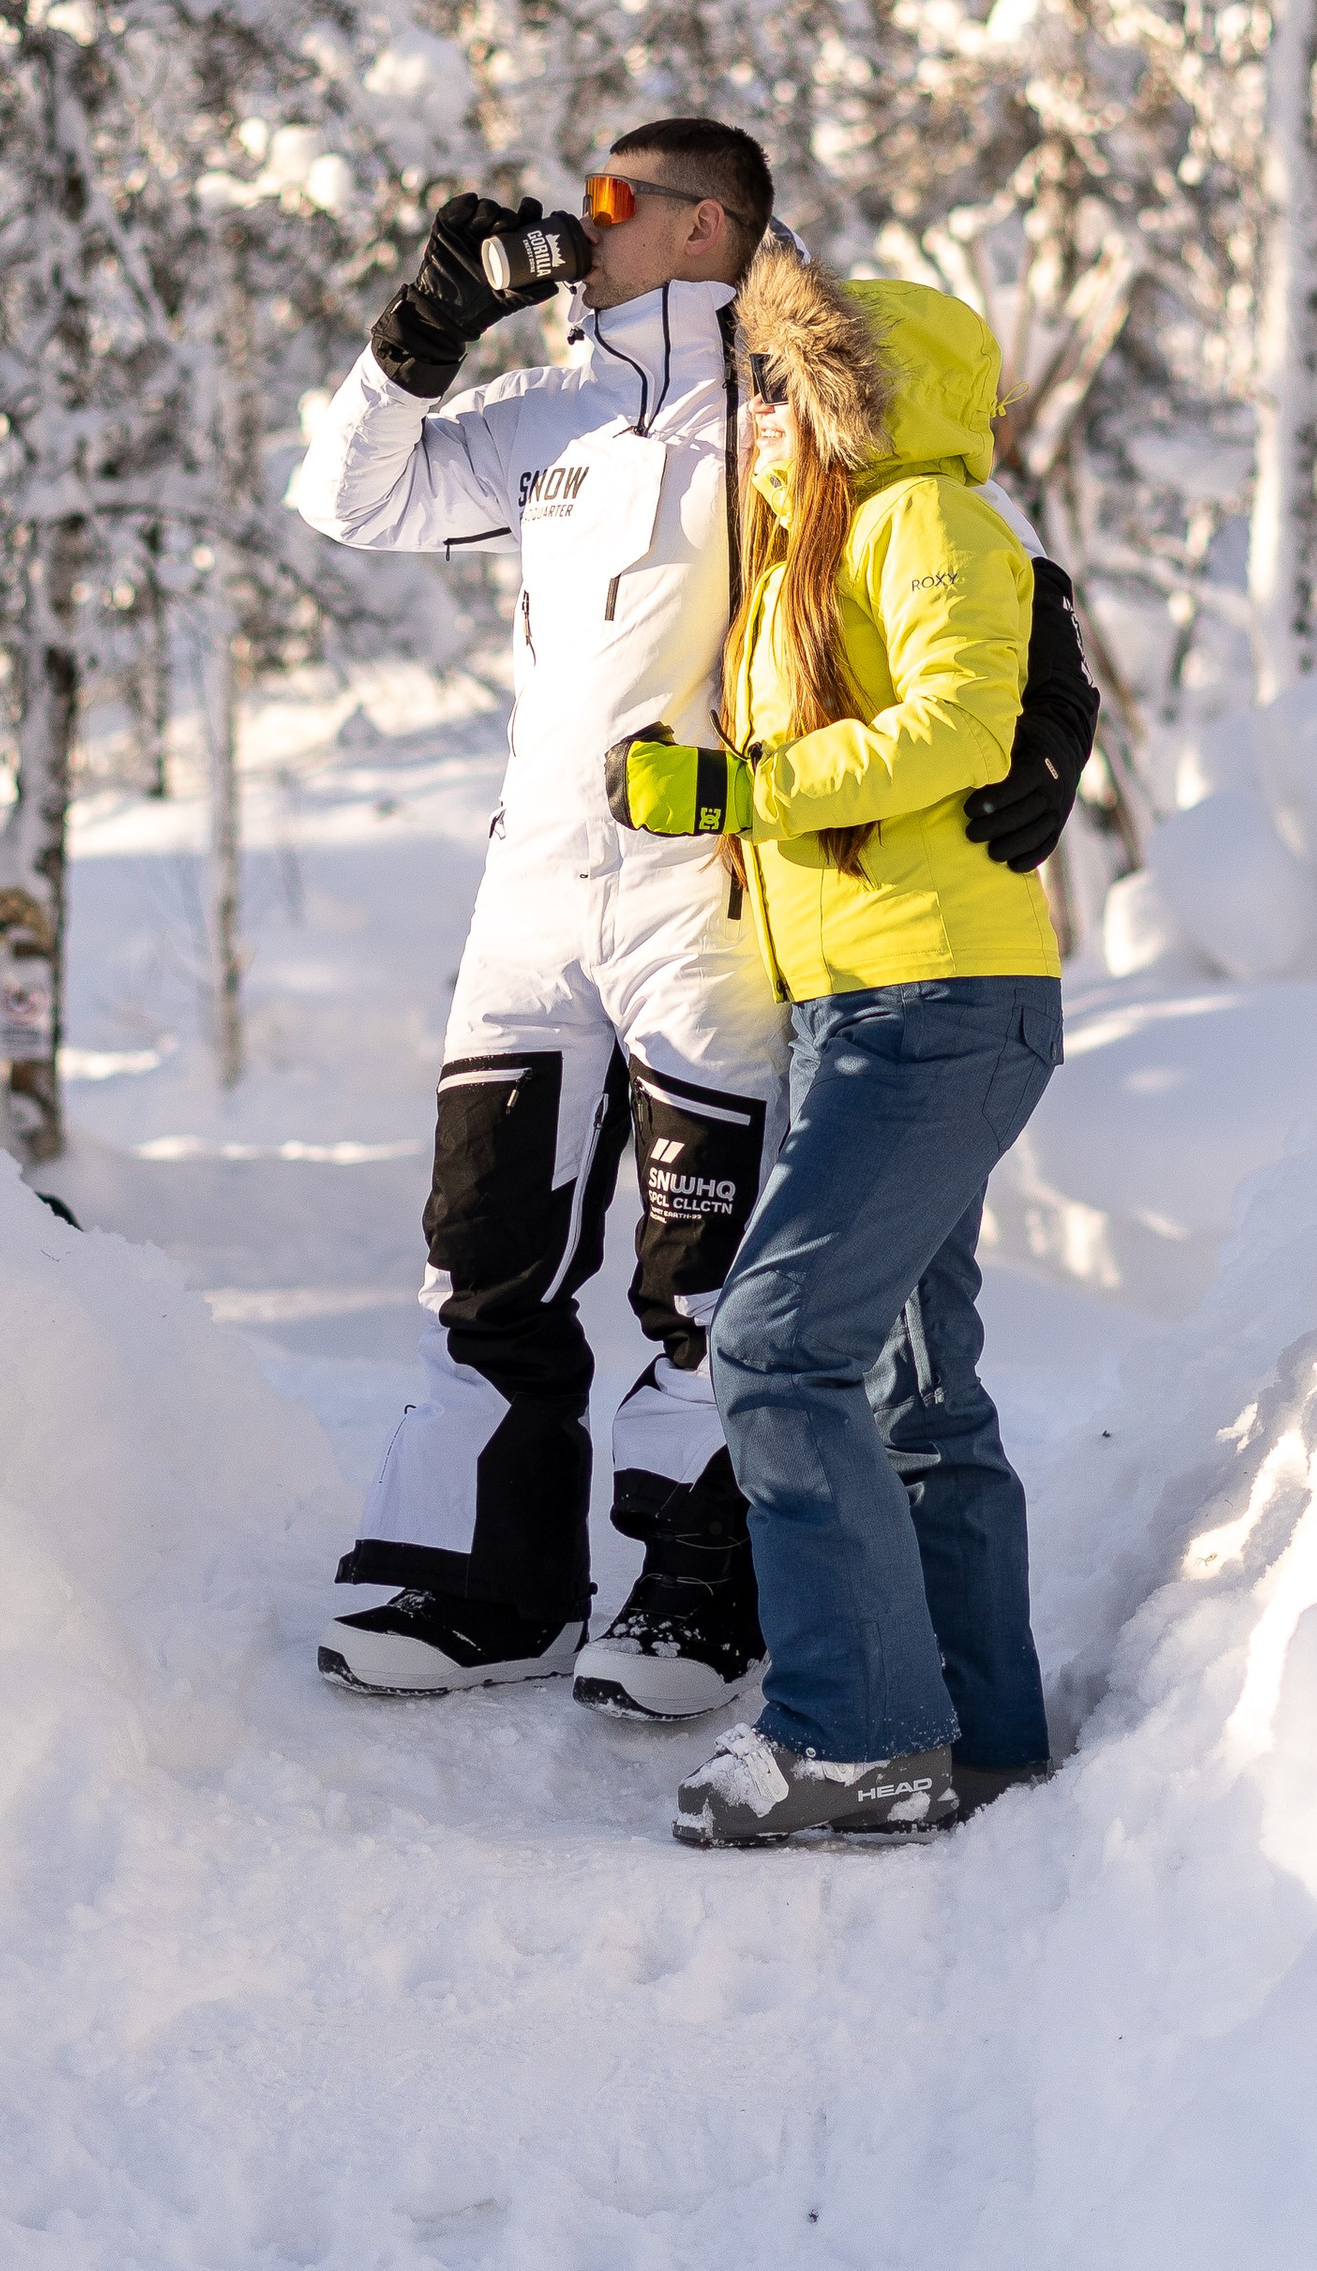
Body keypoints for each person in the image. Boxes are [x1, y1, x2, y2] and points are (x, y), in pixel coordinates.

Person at [293, 122, 789, 1715]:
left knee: (698, 1268)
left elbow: (959, 556)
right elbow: (348, 503)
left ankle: (698, 1599)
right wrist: (420, 335)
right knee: (484, 1250)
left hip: (698, 875)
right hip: (533, 882)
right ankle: (490, 1590)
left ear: (710, 226)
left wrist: (1041, 693)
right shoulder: (553, 410)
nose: (581, 227)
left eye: (615, 202)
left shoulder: (789, 406)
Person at [607, 254, 1066, 1846]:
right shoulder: (815, 549)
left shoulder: (919, 520)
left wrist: (741, 790)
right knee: (916, 1385)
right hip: (860, 1000)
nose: (753, 421)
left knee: (775, 1345)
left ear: (846, 398)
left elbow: (962, 724)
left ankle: (855, 1736)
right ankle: (977, 1726)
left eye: (774, 390)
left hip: (935, 1001)